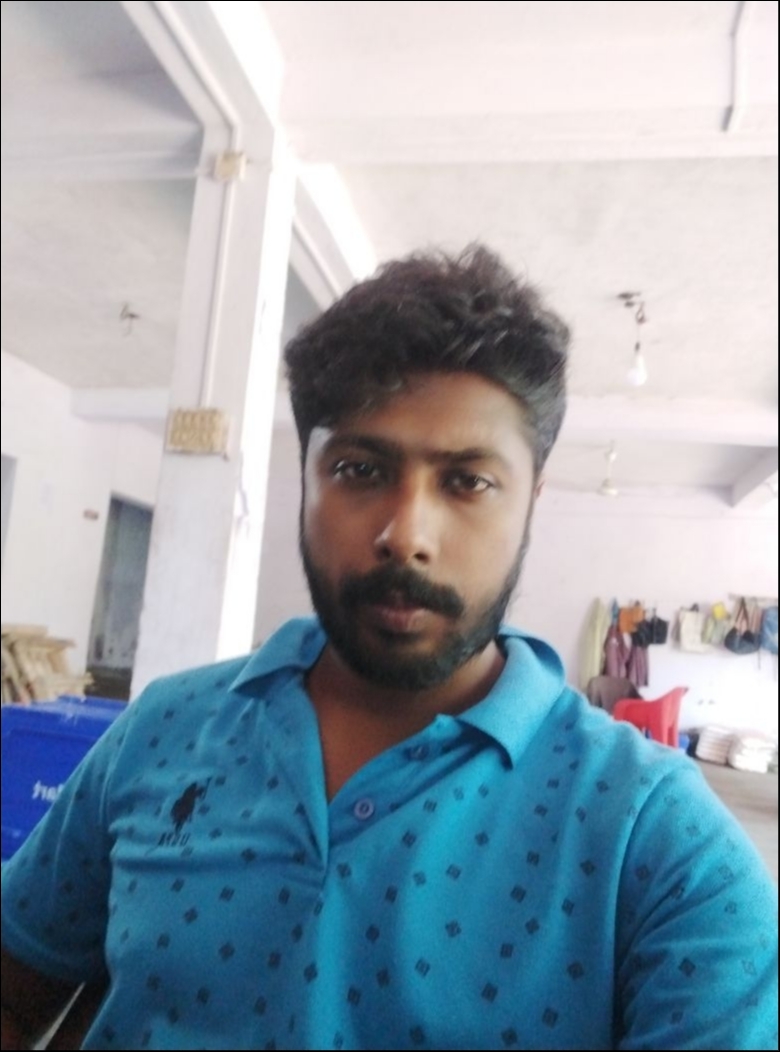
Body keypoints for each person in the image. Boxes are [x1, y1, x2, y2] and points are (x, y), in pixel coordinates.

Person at [1, 245, 776, 1052]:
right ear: (305, 478)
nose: (406, 535)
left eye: (467, 481)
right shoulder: (163, 729)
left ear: (531, 501)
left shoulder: (657, 842)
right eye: (359, 468)